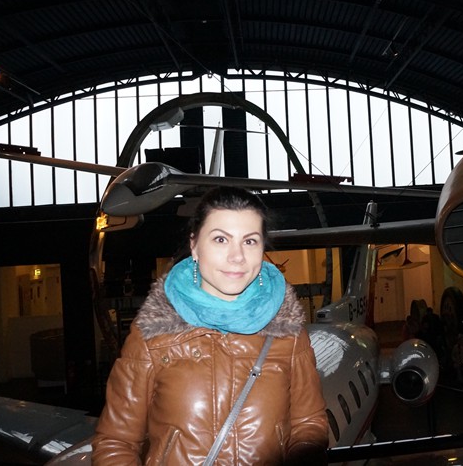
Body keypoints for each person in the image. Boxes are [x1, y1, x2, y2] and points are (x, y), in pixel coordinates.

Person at [92, 186, 328, 465]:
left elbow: (309, 424)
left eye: (250, 241)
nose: (237, 256)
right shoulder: (153, 334)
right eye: (220, 239)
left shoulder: (287, 330)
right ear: (194, 246)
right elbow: (116, 442)